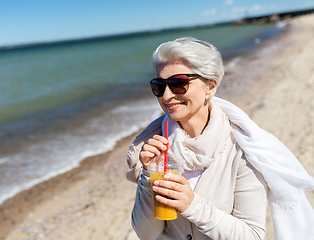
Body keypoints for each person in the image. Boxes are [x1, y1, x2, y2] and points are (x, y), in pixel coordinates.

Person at [126, 37, 314, 240]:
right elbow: (146, 234)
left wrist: (192, 206)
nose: (166, 95)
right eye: (159, 86)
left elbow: (252, 235)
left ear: (211, 87)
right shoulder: (157, 145)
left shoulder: (242, 148)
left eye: (178, 84)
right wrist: (148, 176)